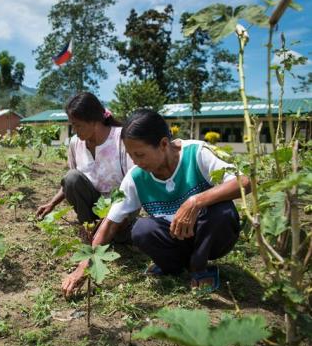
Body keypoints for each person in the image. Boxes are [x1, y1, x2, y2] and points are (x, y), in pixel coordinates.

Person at [62, 109, 250, 296]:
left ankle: (199, 266)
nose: (136, 162)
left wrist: (196, 201)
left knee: (223, 211)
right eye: (131, 155)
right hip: (174, 240)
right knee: (141, 230)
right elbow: (110, 223)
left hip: (209, 236)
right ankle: (174, 266)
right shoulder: (136, 177)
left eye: (140, 155)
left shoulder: (196, 153)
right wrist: (85, 265)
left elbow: (244, 182)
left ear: (163, 144)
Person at [36, 92, 134, 236]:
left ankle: (109, 231)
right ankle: (90, 227)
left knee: (121, 235)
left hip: (121, 210)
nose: (74, 130)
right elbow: (72, 183)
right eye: (72, 125)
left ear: (94, 121)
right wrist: (52, 203)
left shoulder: (122, 139)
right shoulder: (76, 143)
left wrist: (117, 215)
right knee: (71, 176)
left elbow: (134, 183)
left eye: (78, 125)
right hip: (94, 209)